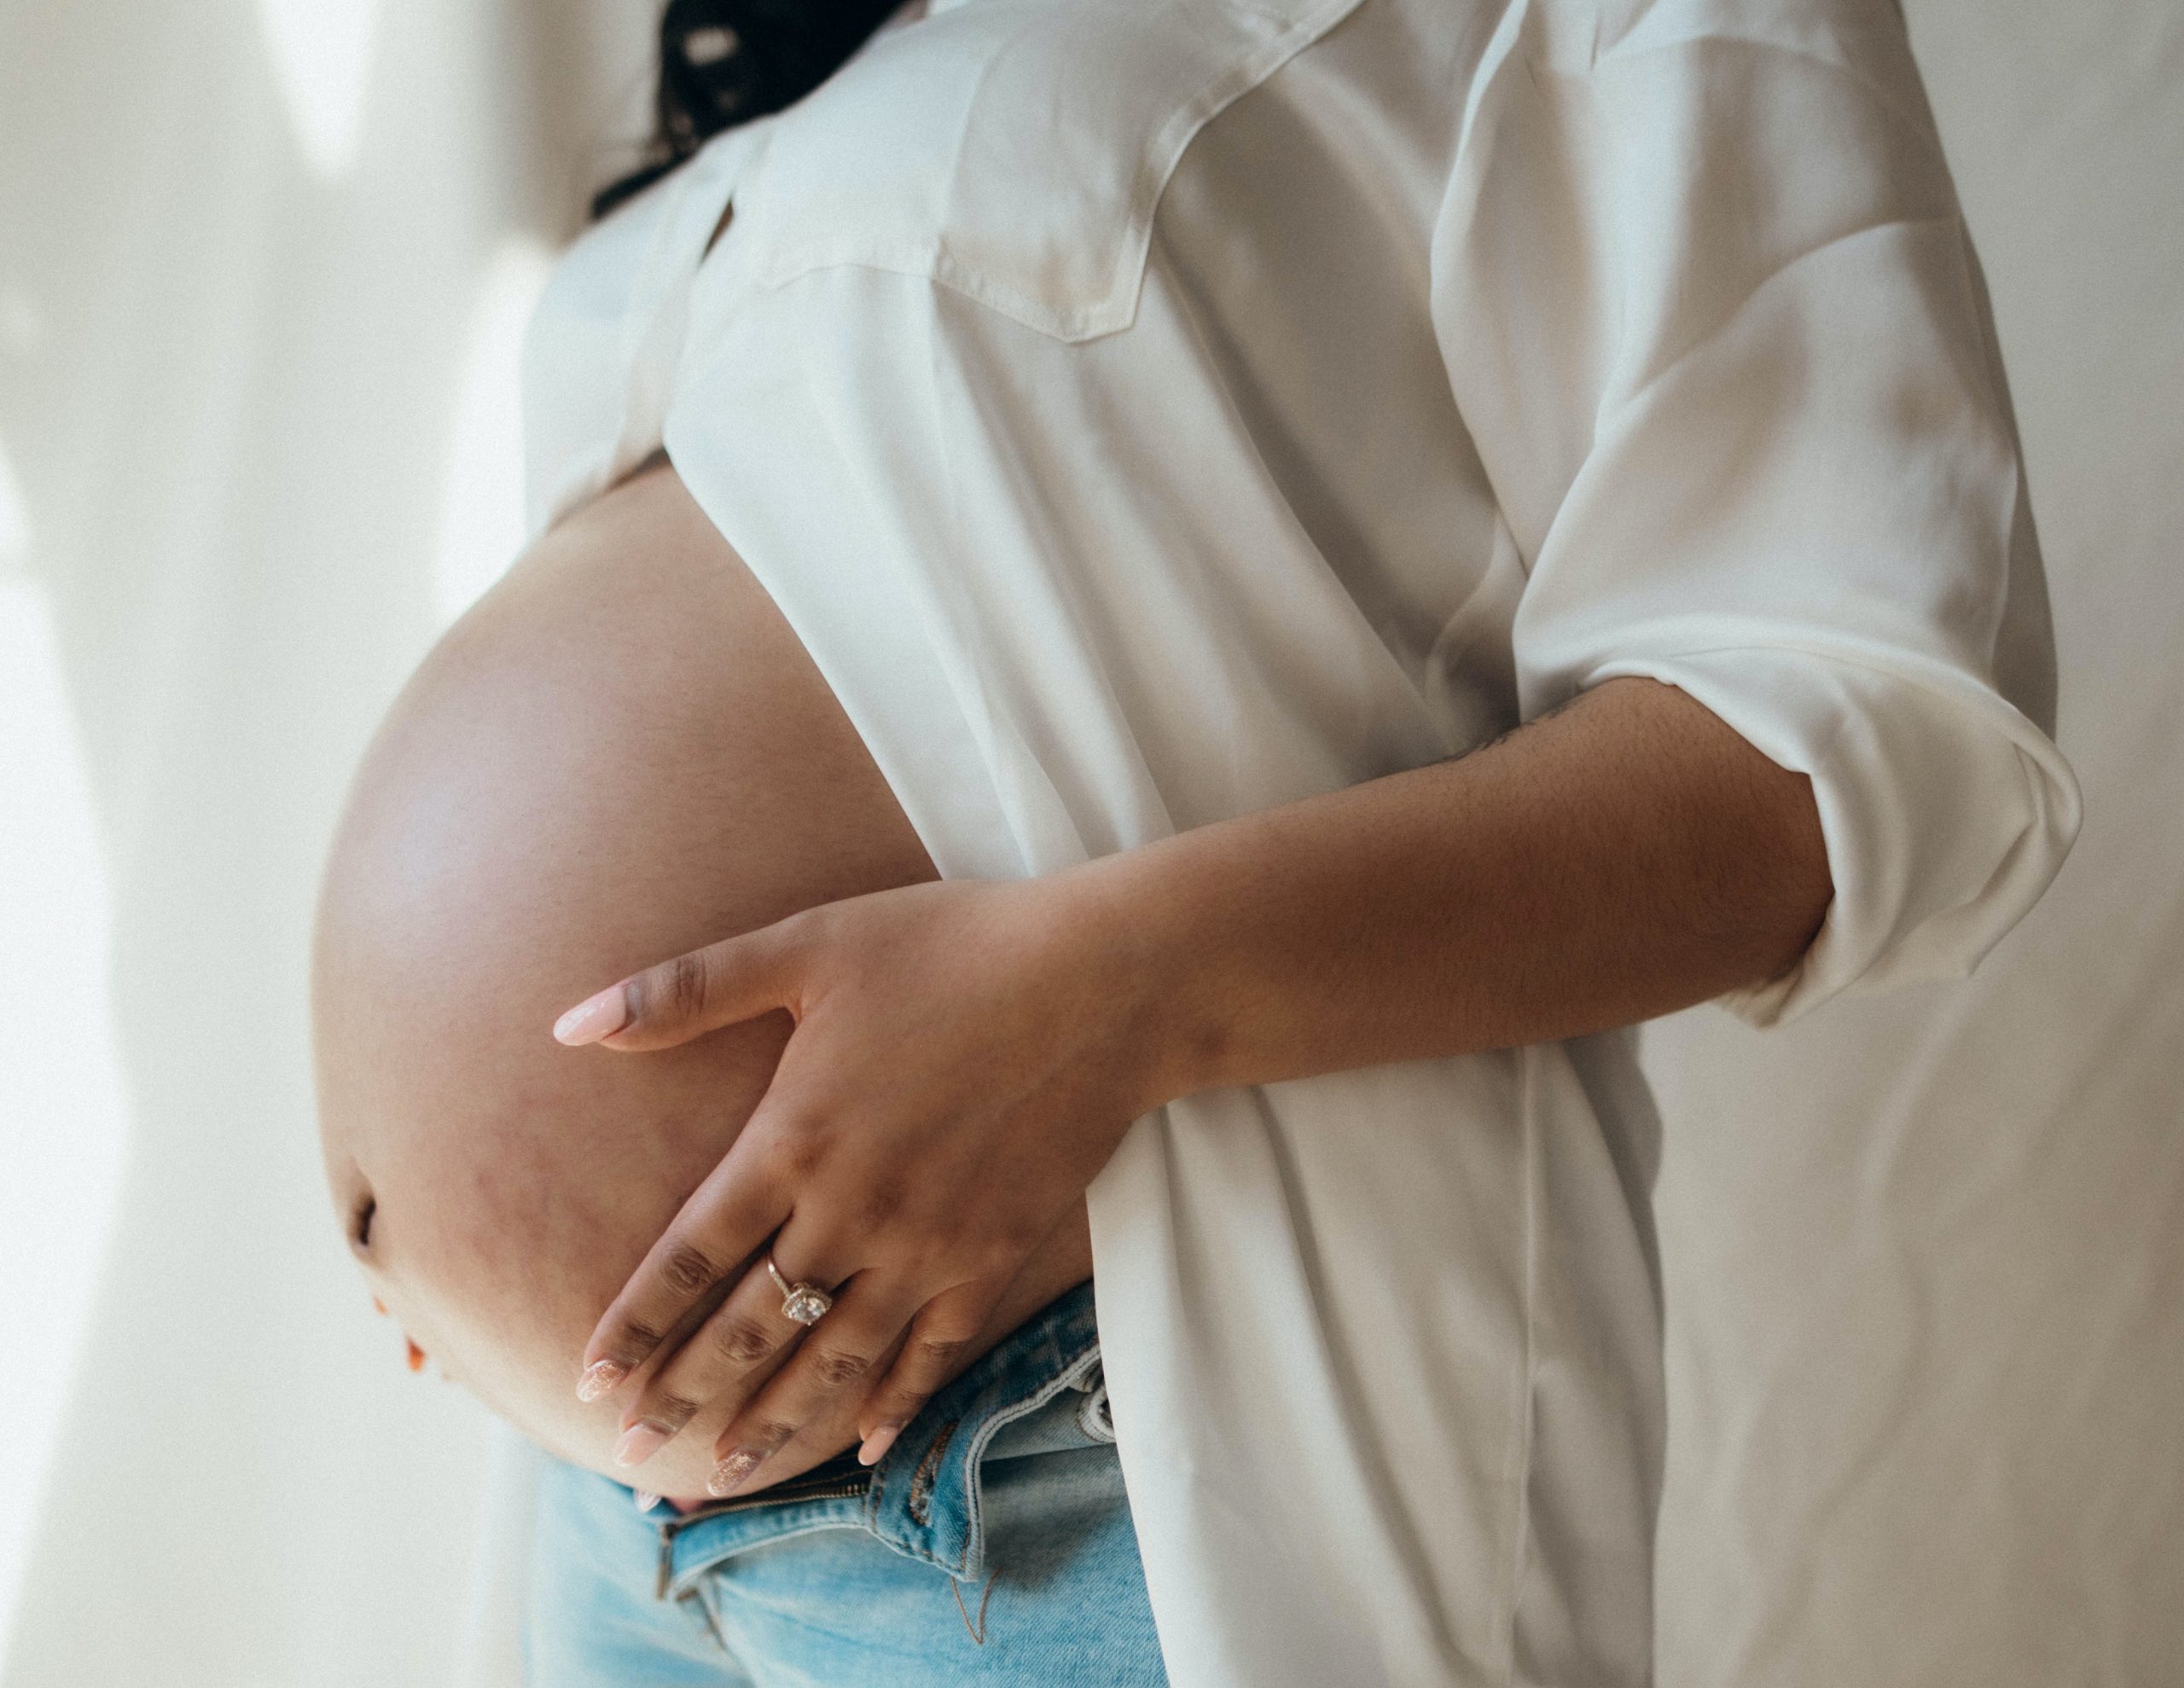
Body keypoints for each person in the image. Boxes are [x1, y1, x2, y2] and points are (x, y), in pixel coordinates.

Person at [313, 0, 2081, 1679]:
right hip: (606, 1520)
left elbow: (1833, 750)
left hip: (1082, 1470)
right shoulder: (830, 57)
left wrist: (1110, 993)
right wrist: (465, 1243)